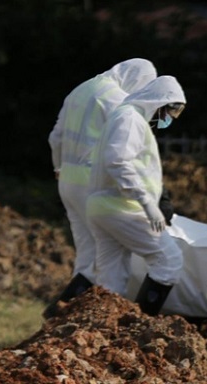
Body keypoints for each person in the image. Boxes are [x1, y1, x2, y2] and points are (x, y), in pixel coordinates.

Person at [44, 58, 157, 318]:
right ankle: (73, 315)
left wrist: (59, 167)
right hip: (94, 184)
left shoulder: (80, 90)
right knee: (108, 255)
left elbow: (55, 137)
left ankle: (68, 319)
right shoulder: (117, 99)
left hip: (68, 181)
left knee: (87, 256)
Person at [86, 75, 187, 316]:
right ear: (159, 102)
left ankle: (102, 329)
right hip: (124, 207)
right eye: (171, 110)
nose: (170, 117)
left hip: (104, 207)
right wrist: (147, 203)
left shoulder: (125, 116)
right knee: (169, 260)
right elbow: (117, 161)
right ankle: (140, 324)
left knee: (110, 282)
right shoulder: (131, 119)